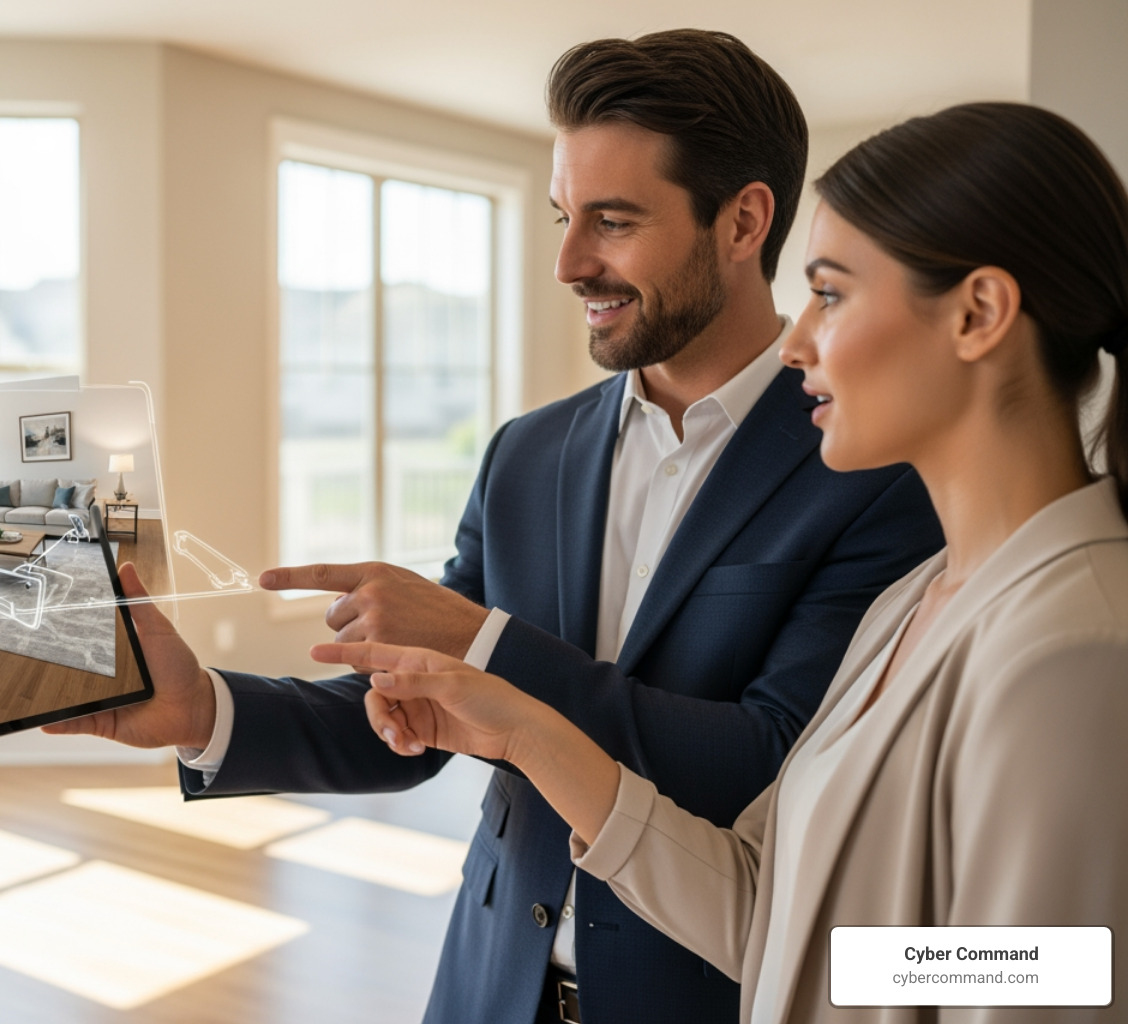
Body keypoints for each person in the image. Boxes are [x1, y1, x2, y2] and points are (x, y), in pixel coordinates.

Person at [46, 30, 944, 1024]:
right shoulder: (528, 452)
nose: (567, 261)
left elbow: (767, 765)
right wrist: (205, 710)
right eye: (564, 216)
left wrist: (485, 644)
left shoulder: (873, 472)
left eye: (611, 220)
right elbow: (418, 716)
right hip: (487, 986)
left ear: (742, 222)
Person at [315, 101, 1128, 1024]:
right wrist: (529, 735)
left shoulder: (1076, 649)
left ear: (978, 313)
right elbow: (769, 911)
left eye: (831, 294)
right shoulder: (914, 603)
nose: (797, 340)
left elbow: (1048, 978)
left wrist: (819, 956)